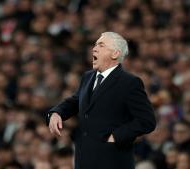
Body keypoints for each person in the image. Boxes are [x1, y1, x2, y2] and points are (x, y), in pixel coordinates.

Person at [47, 32, 156, 169]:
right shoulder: (88, 77)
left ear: (115, 54)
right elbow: (75, 101)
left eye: (101, 45)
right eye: (95, 44)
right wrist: (56, 113)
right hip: (83, 159)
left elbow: (147, 121)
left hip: (112, 160)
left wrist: (116, 137)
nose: (94, 48)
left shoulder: (129, 82)